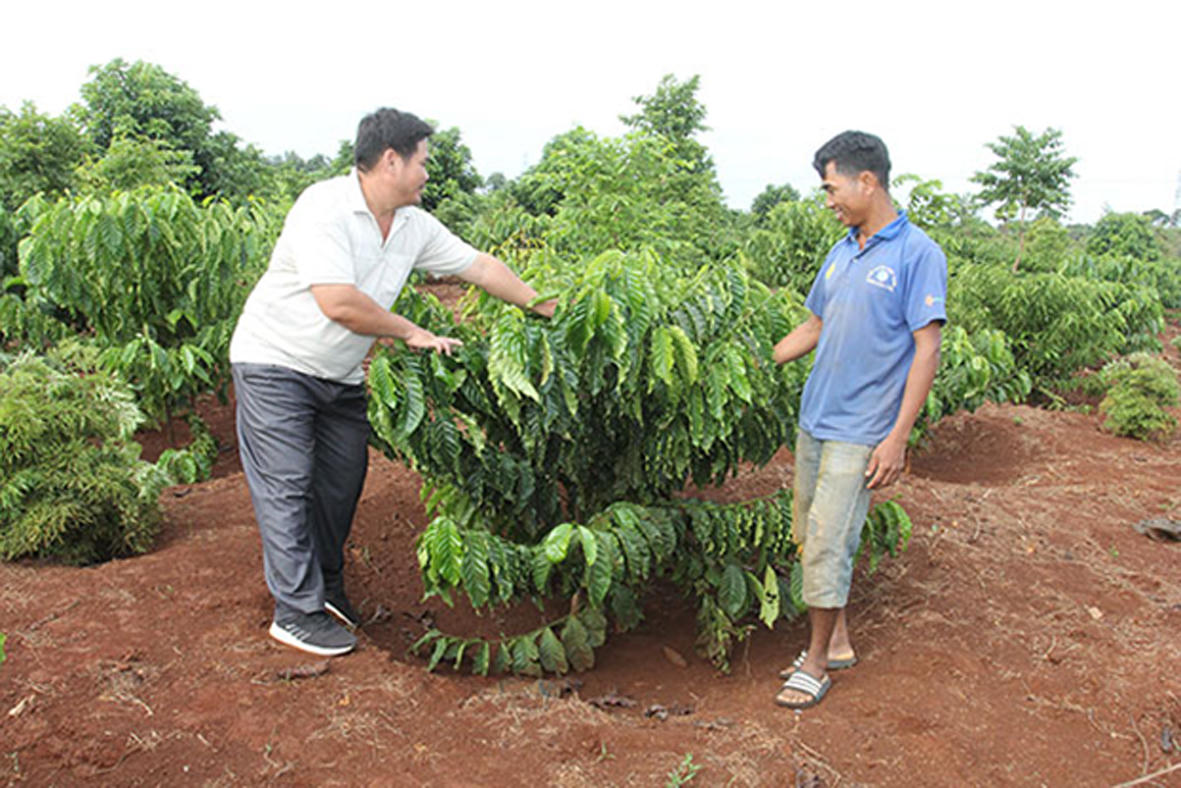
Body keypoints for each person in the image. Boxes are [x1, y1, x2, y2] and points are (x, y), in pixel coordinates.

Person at [229, 108, 555, 657]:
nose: (428, 173)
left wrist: (543, 305)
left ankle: (326, 591)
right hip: (275, 363)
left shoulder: (413, 226)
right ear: (390, 160)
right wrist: (411, 332)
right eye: (423, 161)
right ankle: (296, 613)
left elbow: (478, 266)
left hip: (337, 374)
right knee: (287, 484)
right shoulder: (324, 207)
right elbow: (337, 302)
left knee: (340, 485)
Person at [771, 131, 946, 709]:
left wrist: (896, 437)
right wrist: (753, 360)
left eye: (831, 187)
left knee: (828, 540)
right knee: (807, 532)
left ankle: (816, 663)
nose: (828, 200)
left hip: (862, 426)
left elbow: (926, 349)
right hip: (815, 417)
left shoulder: (918, 253)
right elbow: (813, 327)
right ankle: (837, 639)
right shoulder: (842, 250)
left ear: (866, 181)